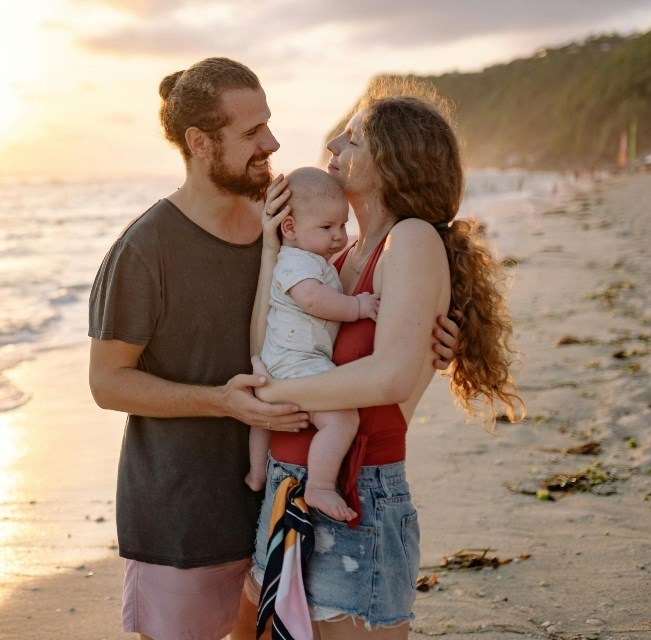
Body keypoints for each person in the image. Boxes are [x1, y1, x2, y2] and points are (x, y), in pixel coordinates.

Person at [88, 59, 462, 640]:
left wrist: (428, 346)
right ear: (200, 143)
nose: (275, 143)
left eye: (269, 124)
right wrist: (228, 401)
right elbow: (107, 383)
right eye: (251, 132)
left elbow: (366, 344)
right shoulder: (145, 249)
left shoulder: (299, 227)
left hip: (282, 495)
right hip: (188, 510)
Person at [235, 82, 525, 639]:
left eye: (357, 134)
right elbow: (268, 345)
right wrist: (273, 252)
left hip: (356, 492)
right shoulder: (336, 256)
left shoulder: (411, 240)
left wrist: (266, 396)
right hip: (289, 482)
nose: (338, 139)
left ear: (391, 161)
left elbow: (389, 376)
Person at [246, 167, 377, 525]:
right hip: (299, 362)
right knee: (342, 419)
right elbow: (314, 300)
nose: (339, 236)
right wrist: (358, 306)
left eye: (342, 225)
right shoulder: (296, 262)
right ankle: (319, 485)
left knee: (262, 418)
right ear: (289, 228)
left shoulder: (310, 259)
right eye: (326, 227)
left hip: (281, 361)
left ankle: (257, 472)